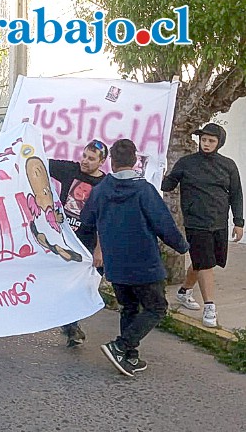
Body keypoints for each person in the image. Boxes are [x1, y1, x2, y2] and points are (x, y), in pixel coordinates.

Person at [82, 139, 189, 377]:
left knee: (129, 307)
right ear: (134, 161)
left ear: (112, 161)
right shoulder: (144, 190)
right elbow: (163, 225)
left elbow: (87, 221)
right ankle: (121, 346)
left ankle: (130, 357)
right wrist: (182, 246)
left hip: (116, 265)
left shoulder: (100, 191)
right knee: (157, 308)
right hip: (144, 263)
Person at [161, 123, 243, 327]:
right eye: (204, 140)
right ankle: (210, 307)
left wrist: (239, 222)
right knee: (206, 263)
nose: (206, 144)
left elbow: (236, 194)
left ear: (219, 143)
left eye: (211, 141)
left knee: (204, 261)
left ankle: (183, 291)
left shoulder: (228, 165)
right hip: (196, 222)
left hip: (219, 222)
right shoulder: (186, 163)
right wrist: (157, 171)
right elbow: (168, 185)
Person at [48, 139, 108, 347]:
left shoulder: (105, 185)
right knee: (66, 284)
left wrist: (99, 250)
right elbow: (39, 162)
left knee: (85, 286)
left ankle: (69, 322)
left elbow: (104, 219)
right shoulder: (70, 170)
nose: (85, 161)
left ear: (102, 162)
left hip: (89, 244)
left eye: (91, 159)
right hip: (65, 241)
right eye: (84, 156)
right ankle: (71, 326)